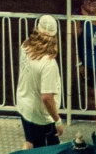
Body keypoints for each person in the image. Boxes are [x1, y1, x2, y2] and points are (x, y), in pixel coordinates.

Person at [15, 16, 62, 147]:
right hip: (41, 117)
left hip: (24, 106)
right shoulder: (49, 63)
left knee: (30, 143)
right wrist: (57, 121)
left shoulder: (25, 46)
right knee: (50, 149)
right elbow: (47, 97)